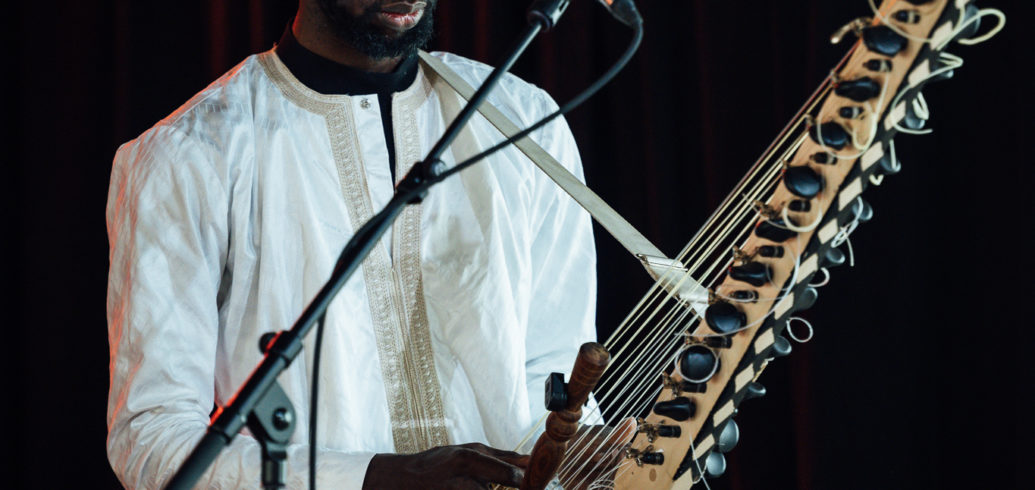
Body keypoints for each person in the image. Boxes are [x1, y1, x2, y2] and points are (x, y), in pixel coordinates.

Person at [106, 0, 605, 488]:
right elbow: (153, 439)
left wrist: (587, 456)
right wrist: (374, 477)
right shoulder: (186, 155)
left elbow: (553, 377)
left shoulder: (525, 123)